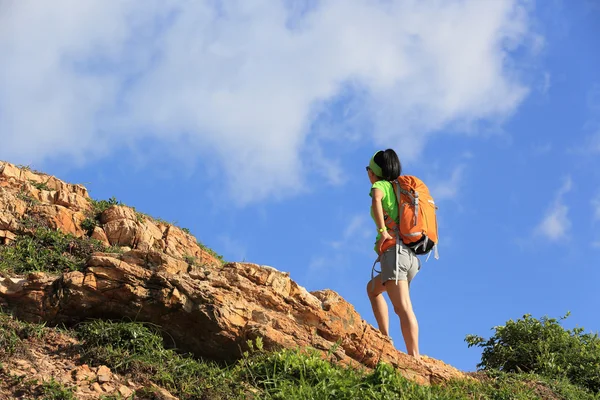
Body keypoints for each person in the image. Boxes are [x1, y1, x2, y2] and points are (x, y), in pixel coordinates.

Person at [365, 149, 421, 357]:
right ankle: (384, 338)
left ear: (374, 172)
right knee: (372, 289)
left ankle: (414, 357)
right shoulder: (399, 190)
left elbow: (376, 200)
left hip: (395, 254)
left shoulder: (380, 186)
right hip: (408, 256)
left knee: (403, 307)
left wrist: (382, 232)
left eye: (368, 169)